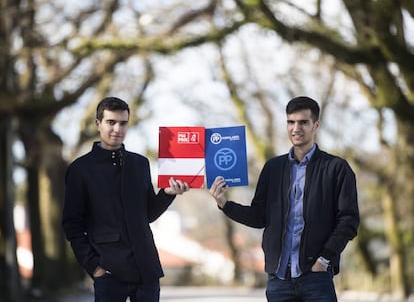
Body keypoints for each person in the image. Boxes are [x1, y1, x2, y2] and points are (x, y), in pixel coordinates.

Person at [209, 96, 359, 302]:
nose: (296, 128)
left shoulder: (336, 168)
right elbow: (259, 216)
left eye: (303, 122)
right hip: (279, 279)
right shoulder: (273, 168)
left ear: (315, 125)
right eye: (291, 122)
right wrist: (225, 204)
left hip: (316, 277)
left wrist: (324, 259)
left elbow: (349, 221)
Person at [62, 97, 189, 302]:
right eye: (111, 122)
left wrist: (168, 194)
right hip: (109, 272)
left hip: (146, 269)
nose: (117, 129)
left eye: (123, 123)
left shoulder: (140, 163)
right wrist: (94, 267)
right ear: (98, 124)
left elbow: (147, 214)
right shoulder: (80, 170)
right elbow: (71, 225)